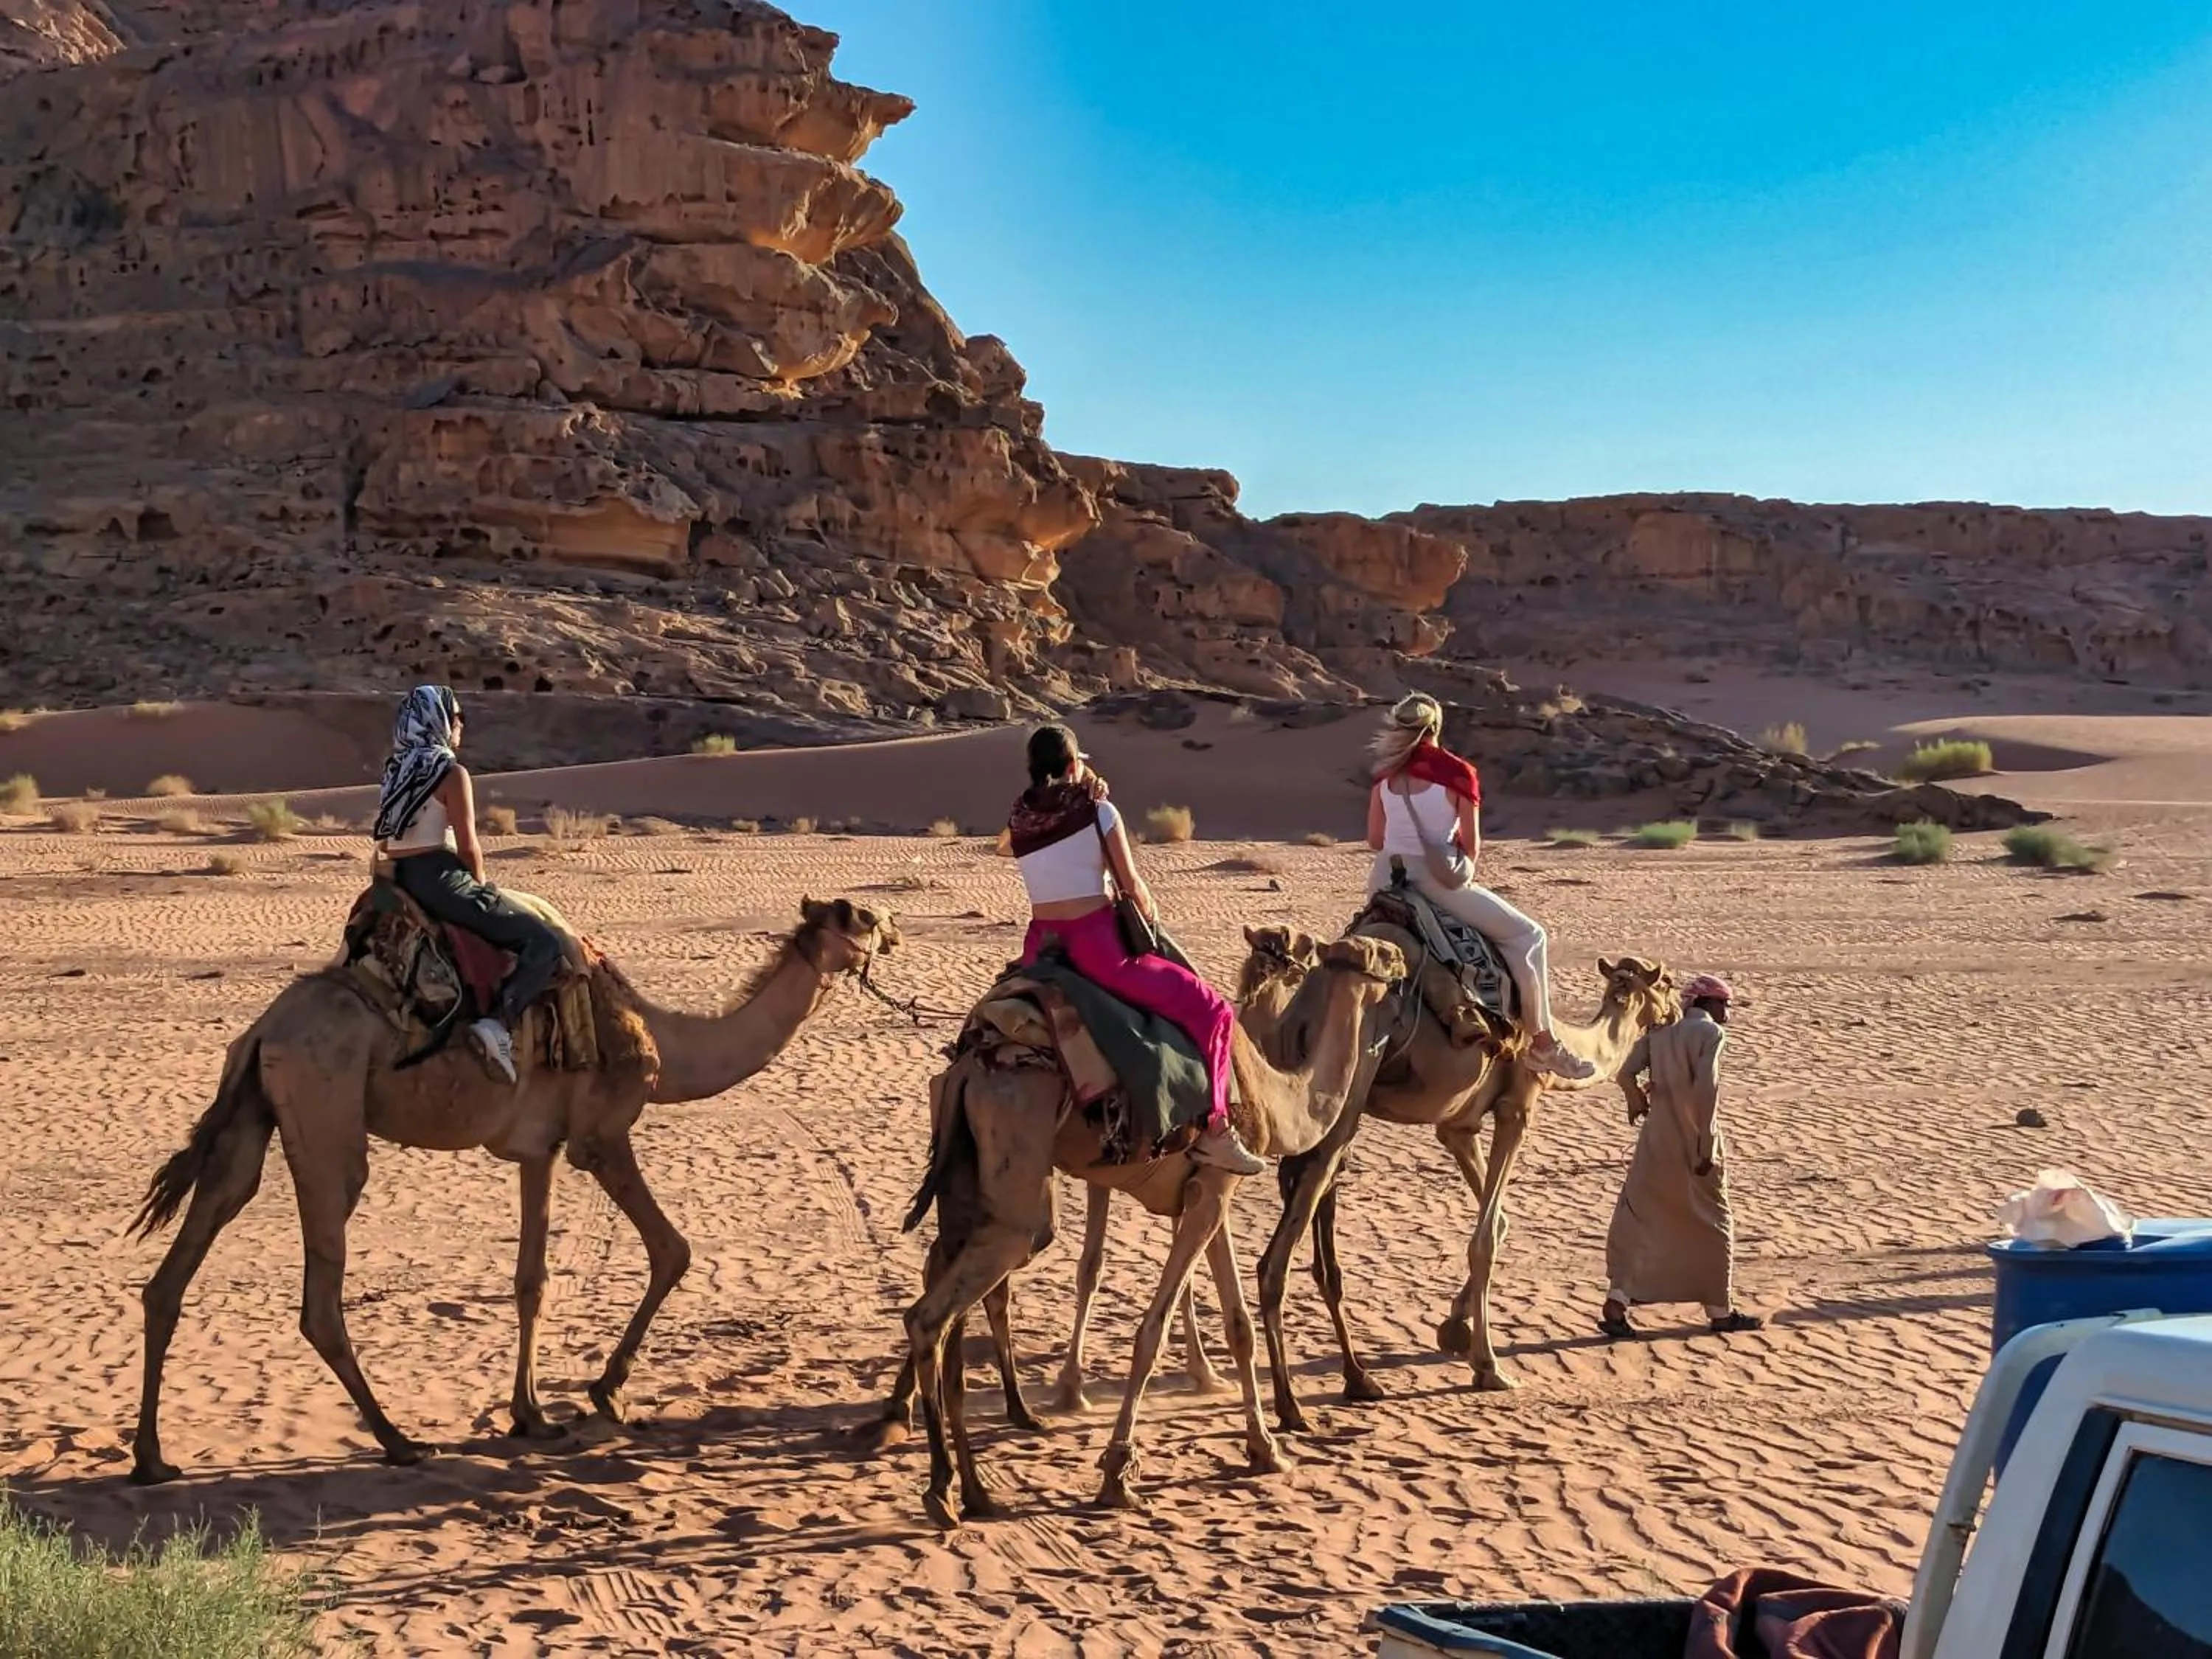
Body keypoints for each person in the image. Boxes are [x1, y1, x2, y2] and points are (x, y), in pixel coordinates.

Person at [1006, 724, 1265, 1175]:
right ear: (1074, 764)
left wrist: (1085, 783)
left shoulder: (1019, 818)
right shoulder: (1099, 811)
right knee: (1215, 1011)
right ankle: (1216, 1131)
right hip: (1097, 949)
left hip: (1041, 948)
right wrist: (1148, 908)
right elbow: (1132, 889)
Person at [1364, 692, 1594, 1081]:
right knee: (1529, 936)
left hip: (1384, 878)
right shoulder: (1457, 773)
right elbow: (1471, 847)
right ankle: (1543, 1044)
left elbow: (1375, 840)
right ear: (1436, 727)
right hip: (1433, 879)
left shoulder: (1385, 777)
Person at [371, 686, 563, 1085]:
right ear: (437, 720)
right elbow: (469, 847)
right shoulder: (450, 772)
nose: (460, 724)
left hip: (398, 878)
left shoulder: (396, 770)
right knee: (544, 942)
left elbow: (387, 843)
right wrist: (482, 893)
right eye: (456, 716)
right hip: (441, 879)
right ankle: (498, 1025)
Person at [1601, 974, 1764, 1339]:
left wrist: (1637, 1100)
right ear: (1708, 1003)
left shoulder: (1659, 1033)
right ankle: (1720, 1310)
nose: (1727, 1012)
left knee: (1639, 1219)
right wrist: (1706, 1145)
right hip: (1693, 1142)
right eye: (1724, 1004)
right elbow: (1707, 1089)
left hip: (1655, 1144)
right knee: (1714, 1223)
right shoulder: (1710, 1034)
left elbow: (1625, 1073)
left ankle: (1618, 1298)